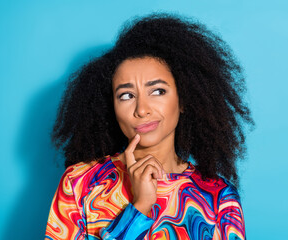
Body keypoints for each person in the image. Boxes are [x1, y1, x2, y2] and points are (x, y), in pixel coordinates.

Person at [45, 12, 254, 240]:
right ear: (111, 107)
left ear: (183, 100)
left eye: (157, 91)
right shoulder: (79, 184)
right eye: (126, 95)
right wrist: (140, 208)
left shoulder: (219, 197)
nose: (142, 109)